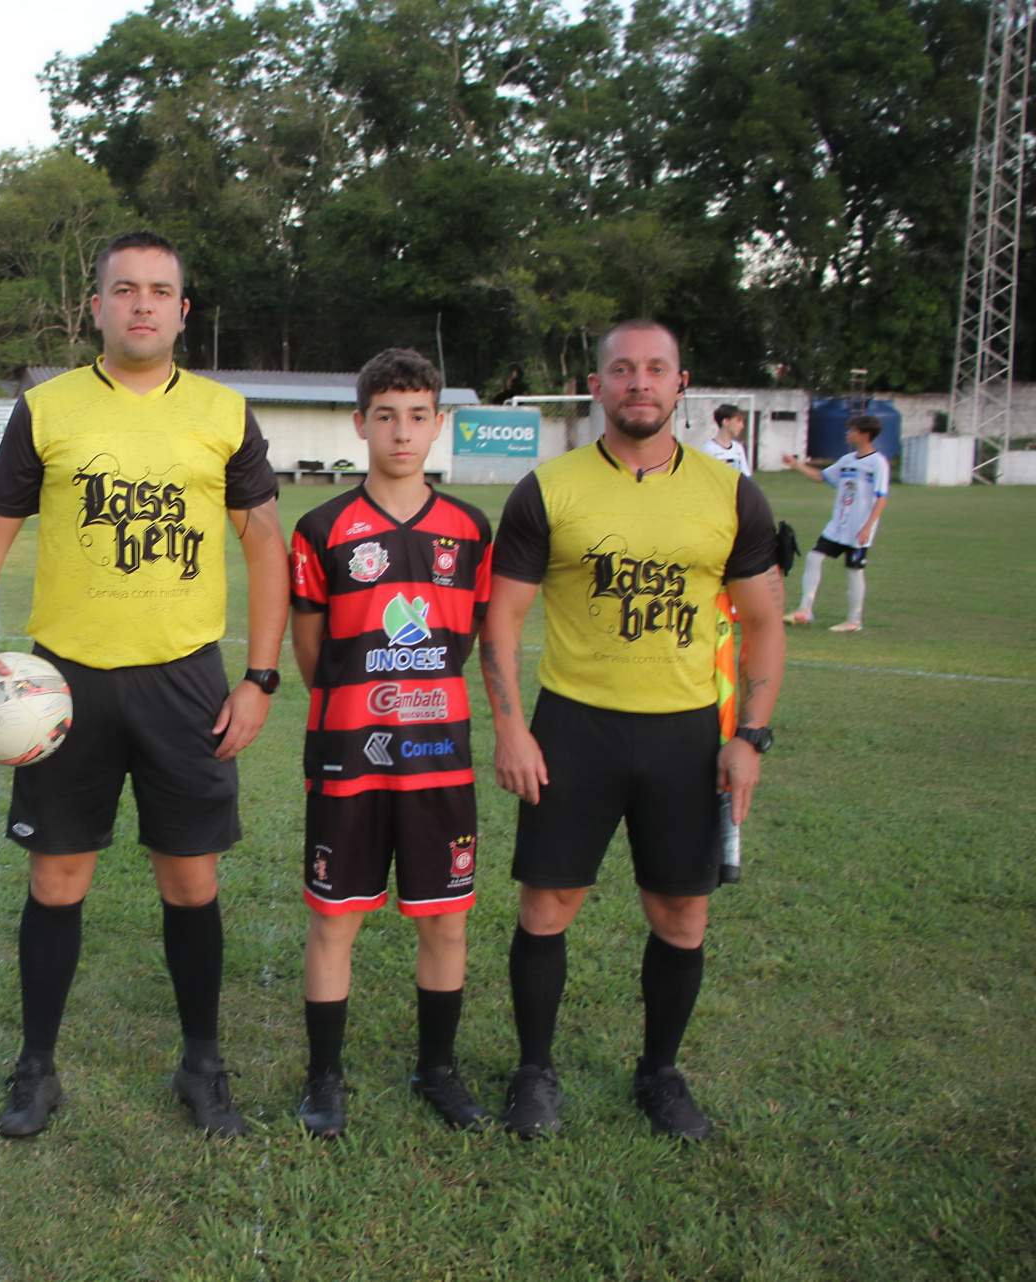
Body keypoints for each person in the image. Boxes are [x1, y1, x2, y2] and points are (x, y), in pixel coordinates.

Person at [0, 230, 289, 1139]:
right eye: (124, 289)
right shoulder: (48, 409)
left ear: (184, 309)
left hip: (186, 679)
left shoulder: (223, 411)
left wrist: (258, 677)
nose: (142, 304)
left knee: (191, 878)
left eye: (160, 290)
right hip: (70, 683)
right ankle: (36, 1068)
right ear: (95, 307)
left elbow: (263, 542)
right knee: (58, 877)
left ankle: (203, 1067)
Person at [480, 319, 786, 1141]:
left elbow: (764, 624)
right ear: (597, 385)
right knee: (549, 903)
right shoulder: (549, 488)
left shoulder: (731, 494)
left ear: (681, 384)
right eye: (623, 370)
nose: (640, 383)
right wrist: (512, 730)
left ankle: (660, 1073)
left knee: (681, 914)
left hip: (687, 736)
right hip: (574, 726)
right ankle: (534, 1071)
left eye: (656, 370)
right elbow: (501, 621)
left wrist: (748, 737)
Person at [288, 348, 494, 1138]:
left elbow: (463, 641)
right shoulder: (323, 528)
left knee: (445, 917)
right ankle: (324, 1078)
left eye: (417, 417)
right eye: (386, 416)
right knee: (334, 917)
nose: (402, 433)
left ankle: (437, 1070)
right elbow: (315, 655)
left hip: (439, 756)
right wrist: (359, 703)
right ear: (360, 424)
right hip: (349, 754)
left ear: (438, 424)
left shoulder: (469, 530)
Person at [782, 415, 889, 633]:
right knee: (814, 558)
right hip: (838, 526)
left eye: (852, 430)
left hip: (859, 529)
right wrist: (796, 465)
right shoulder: (847, 460)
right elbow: (821, 477)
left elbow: (882, 497)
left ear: (864, 434)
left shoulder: (878, 463)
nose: (847, 433)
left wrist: (868, 526)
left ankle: (854, 619)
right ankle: (804, 610)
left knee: (854, 571)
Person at [701, 403, 752, 476]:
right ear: (726, 422)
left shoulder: (738, 448)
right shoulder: (709, 449)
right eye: (738, 421)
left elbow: (746, 476)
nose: (742, 425)